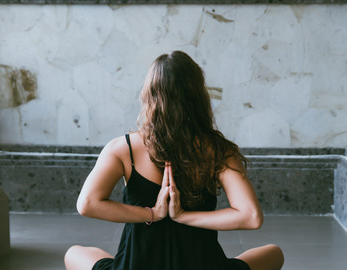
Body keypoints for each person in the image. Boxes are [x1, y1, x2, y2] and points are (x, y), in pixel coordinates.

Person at [64, 51, 284, 270]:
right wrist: (183, 216)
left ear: (149, 95)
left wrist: (152, 213)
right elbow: (251, 217)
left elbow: (87, 204)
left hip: (137, 265)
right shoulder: (219, 151)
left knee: (74, 254)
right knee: (274, 253)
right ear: (198, 96)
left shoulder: (122, 149)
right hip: (204, 265)